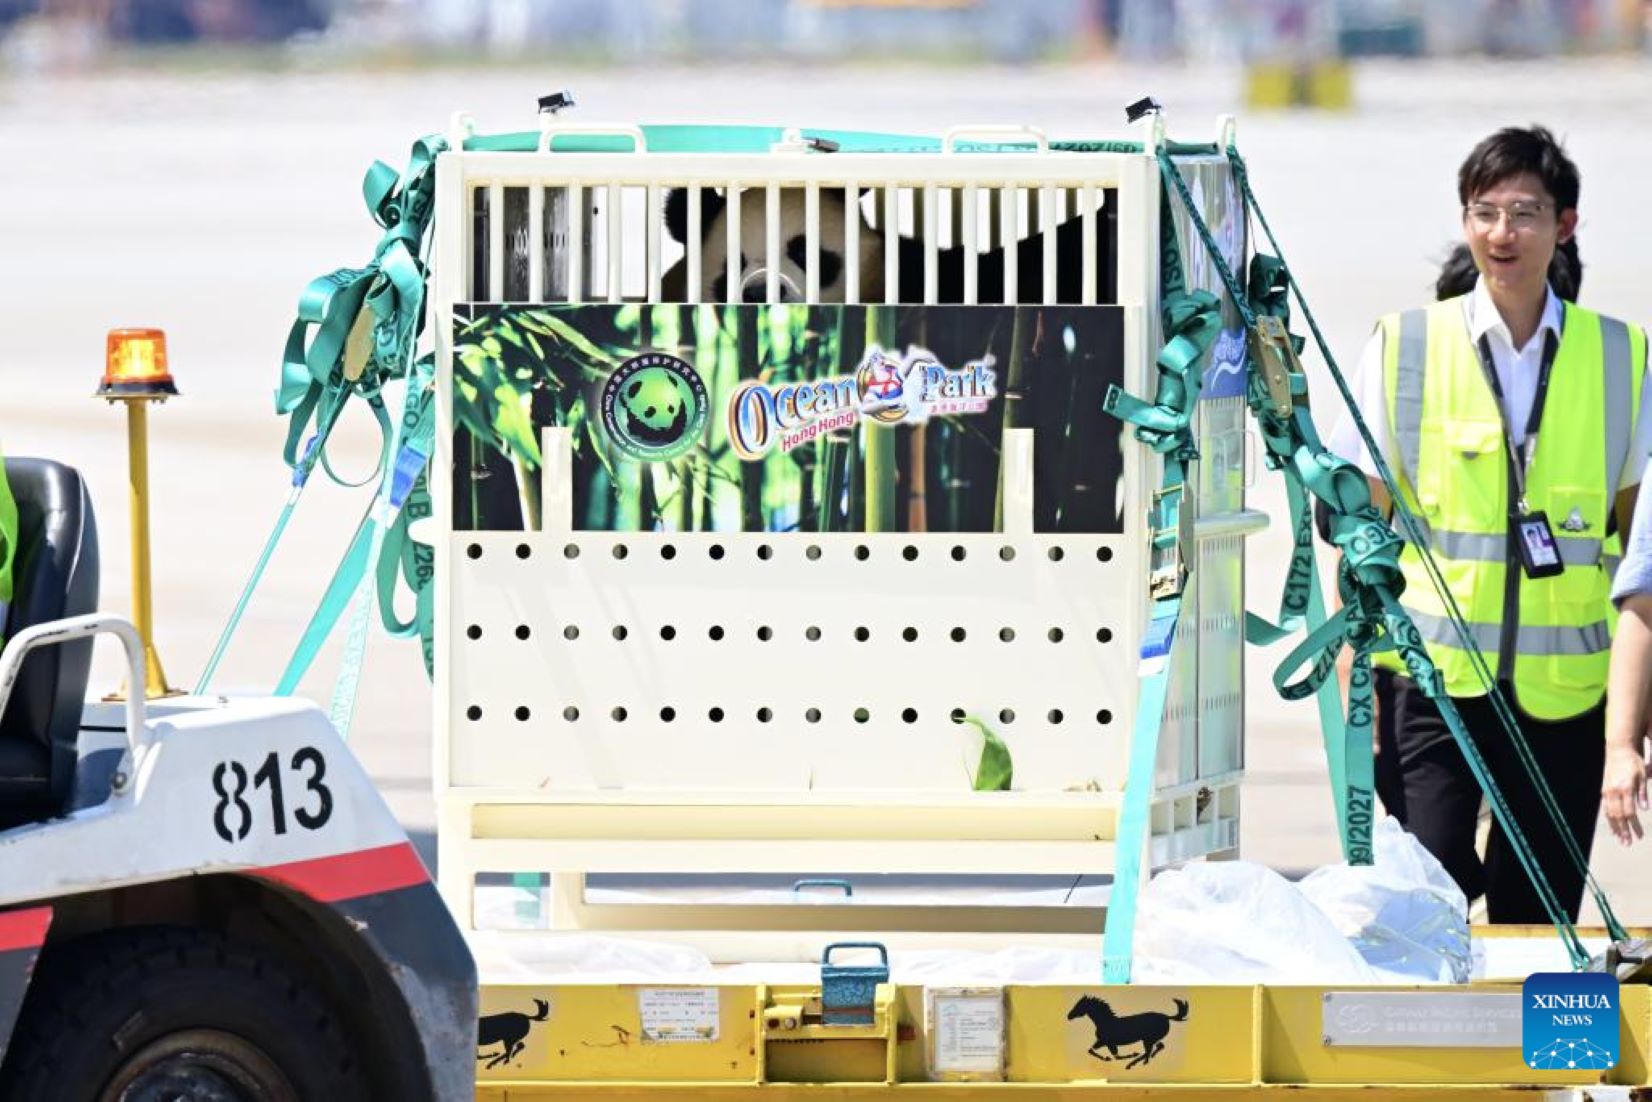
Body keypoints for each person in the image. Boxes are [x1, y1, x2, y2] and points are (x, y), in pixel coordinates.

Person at [1325, 125, 1652, 922]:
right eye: (1485, 211)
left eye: (1525, 213)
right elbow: (1356, 531)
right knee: (1423, 896)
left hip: (1566, 695)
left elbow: (1640, 562)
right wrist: (1352, 688)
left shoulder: (1622, 358)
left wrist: (1624, 735)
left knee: (1536, 917)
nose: (1502, 232)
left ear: (1564, 225)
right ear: (1466, 220)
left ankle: (1538, 1052)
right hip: (1432, 681)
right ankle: (1430, 1049)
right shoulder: (1405, 346)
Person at [1318, 232, 1585, 826]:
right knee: (1435, 863)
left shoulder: (1594, 388)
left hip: (1555, 687)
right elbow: (1355, 531)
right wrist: (1350, 671)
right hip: (1422, 679)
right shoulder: (1408, 379)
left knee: (1526, 892)